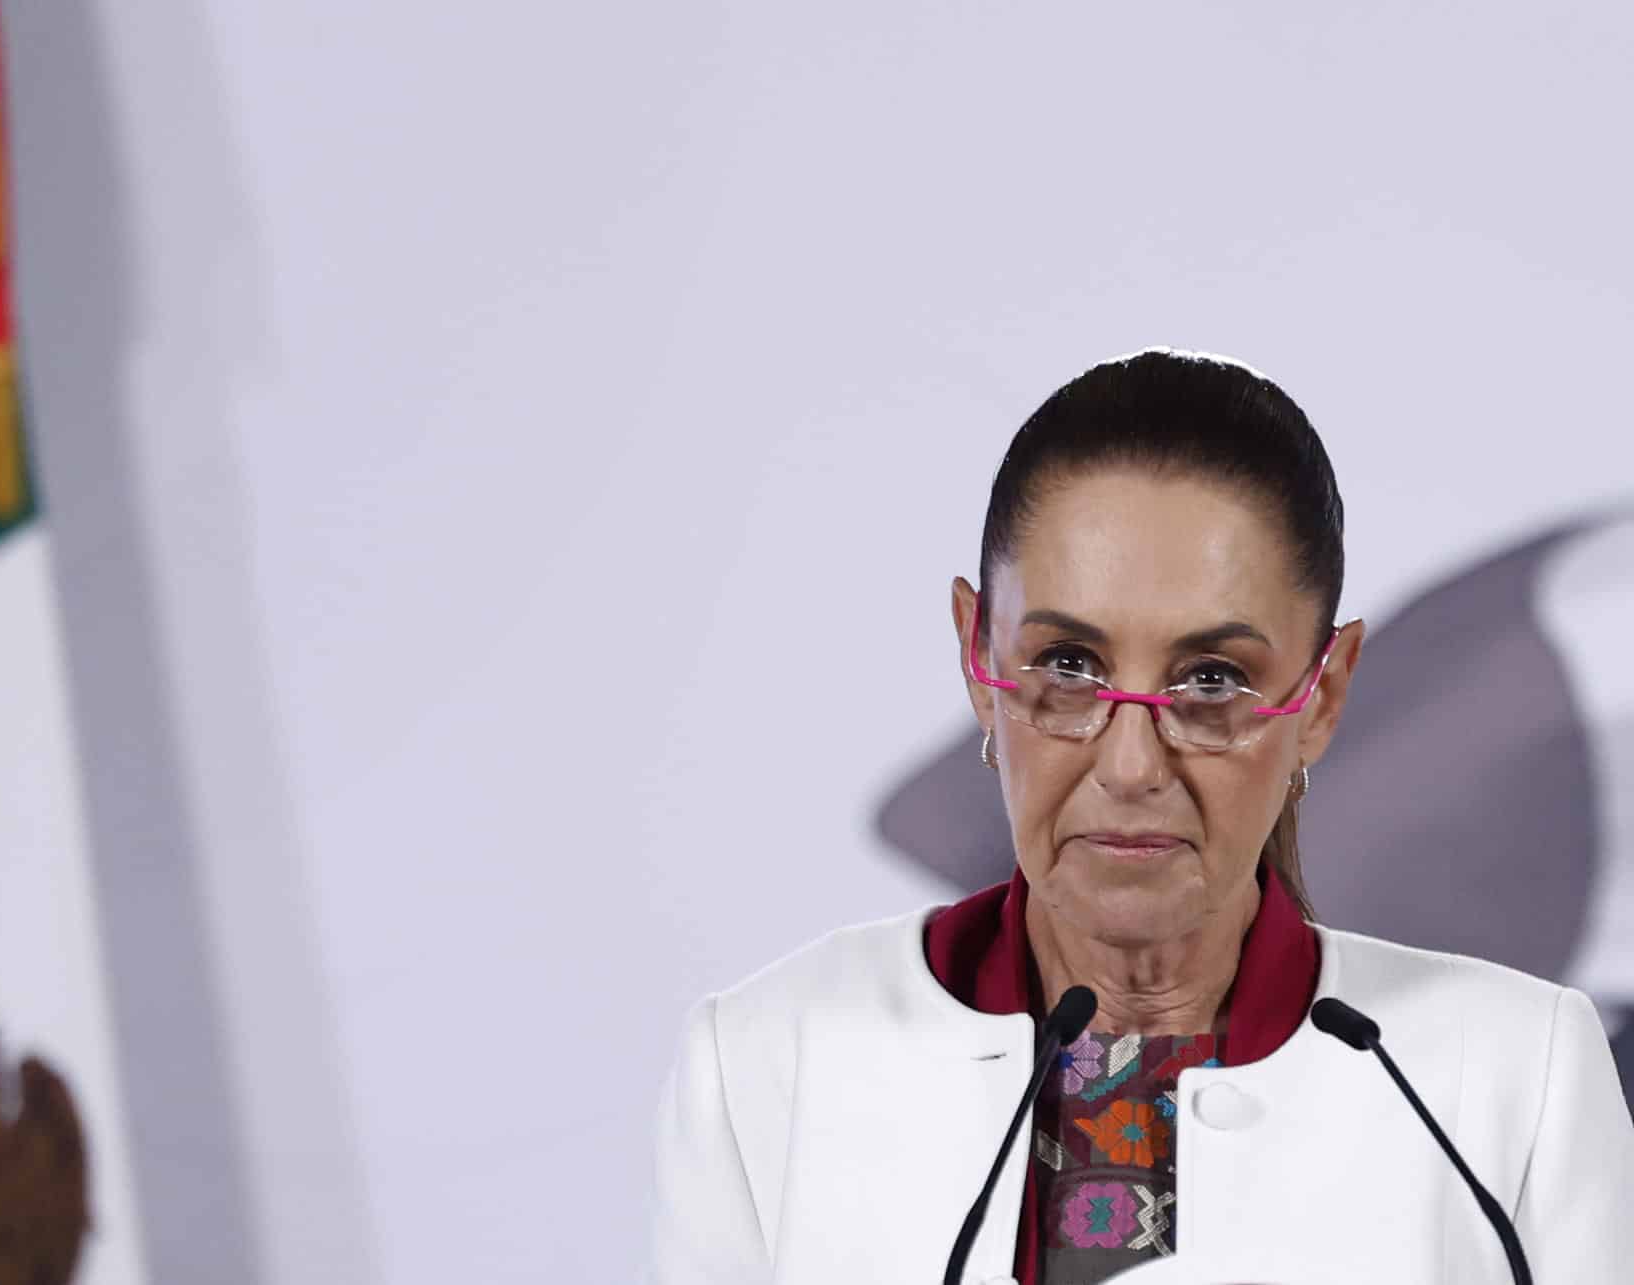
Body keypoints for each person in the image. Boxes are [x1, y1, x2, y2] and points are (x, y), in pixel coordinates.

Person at [646, 348, 1634, 1284]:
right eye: (1067, 666)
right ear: (975, 657)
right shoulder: (769, 1063)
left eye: (1214, 679)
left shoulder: (1523, 1074)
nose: (1130, 763)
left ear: (1324, 695)